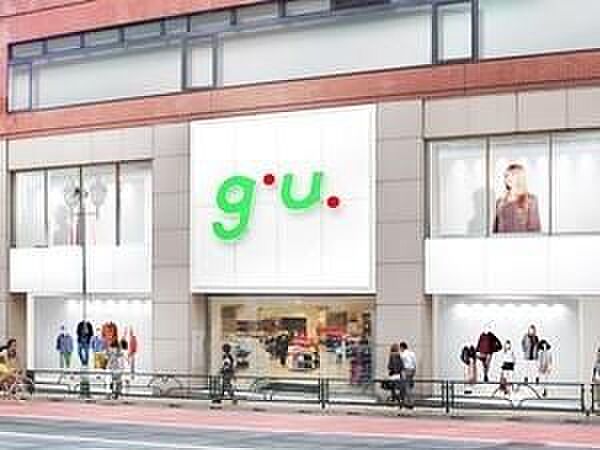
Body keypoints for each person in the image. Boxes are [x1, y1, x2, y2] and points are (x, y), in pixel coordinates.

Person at [493, 163, 541, 233]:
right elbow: (495, 229)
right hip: (502, 239)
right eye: (506, 176)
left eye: (513, 175)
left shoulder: (531, 200)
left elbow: (535, 228)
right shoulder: (500, 202)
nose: (508, 178)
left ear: (520, 178)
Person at [399, 342, 416, 409]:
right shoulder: (412, 353)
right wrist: (414, 370)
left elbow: (402, 364)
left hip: (406, 370)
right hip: (412, 370)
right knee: (409, 386)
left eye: (400, 348)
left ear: (402, 347)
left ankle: (410, 402)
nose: (400, 349)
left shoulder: (403, 355)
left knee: (407, 386)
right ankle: (408, 401)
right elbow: (414, 362)